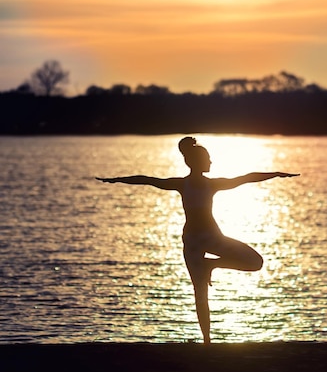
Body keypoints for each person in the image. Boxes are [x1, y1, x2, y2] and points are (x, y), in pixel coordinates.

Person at [97, 136, 299, 343]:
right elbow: (147, 180)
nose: (211, 162)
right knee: (204, 291)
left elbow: (148, 180)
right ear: (197, 162)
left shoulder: (186, 184)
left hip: (199, 240)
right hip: (203, 240)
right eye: (208, 159)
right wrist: (117, 179)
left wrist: (274, 174)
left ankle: (211, 271)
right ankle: (207, 340)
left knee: (219, 283)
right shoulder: (204, 184)